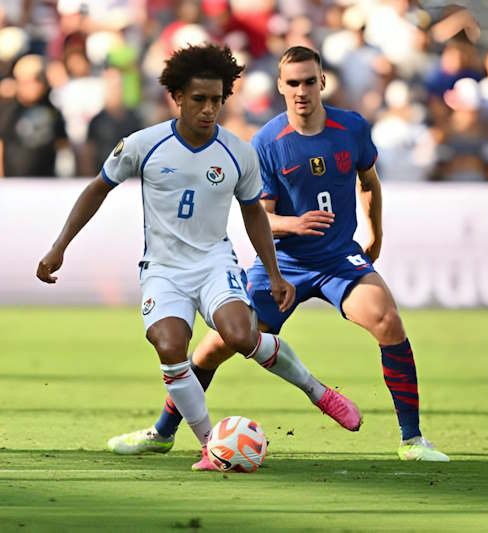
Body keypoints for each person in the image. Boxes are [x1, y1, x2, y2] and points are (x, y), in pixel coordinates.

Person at [108, 46, 449, 462]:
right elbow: (258, 216)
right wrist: (296, 223)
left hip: (339, 258)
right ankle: (162, 432)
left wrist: (375, 233)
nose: (302, 90)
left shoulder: (352, 128)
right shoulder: (267, 142)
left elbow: (369, 182)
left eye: (309, 81)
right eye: (293, 83)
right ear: (281, 87)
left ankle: (412, 439)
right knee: (215, 348)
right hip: (284, 263)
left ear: (322, 82)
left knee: (387, 320)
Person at [34, 43, 363, 471]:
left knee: (241, 335)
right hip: (164, 270)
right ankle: (212, 445)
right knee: (170, 346)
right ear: (177, 98)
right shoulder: (143, 144)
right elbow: (97, 188)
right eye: (199, 100)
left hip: (213, 264)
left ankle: (317, 391)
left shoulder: (237, 153)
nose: (209, 109)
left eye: (216, 100)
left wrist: (276, 273)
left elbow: (253, 214)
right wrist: (60, 246)